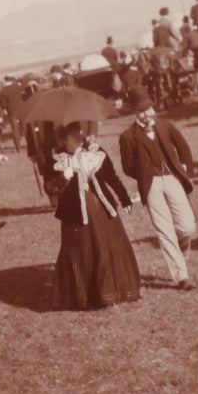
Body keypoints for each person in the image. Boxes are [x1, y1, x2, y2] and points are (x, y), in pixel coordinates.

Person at [52, 123, 141, 310]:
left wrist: (125, 199)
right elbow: (49, 187)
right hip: (75, 215)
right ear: (62, 139)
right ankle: (86, 295)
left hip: (101, 208)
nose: (74, 141)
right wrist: (63, 178)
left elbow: (111, 177)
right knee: (81, 252)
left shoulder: (95, 152)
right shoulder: (58, 158)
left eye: (77, 136)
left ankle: (110, 292)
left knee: (107, 247)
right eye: (69, 138)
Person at [118, 94, 198, 290]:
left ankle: (180, 249)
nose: (147, 113)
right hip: (151, 185)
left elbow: (183, 147)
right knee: (164, 230)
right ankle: (182, 277)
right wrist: (146, 175)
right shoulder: (128, 136)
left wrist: (186, 168)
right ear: (135, 112)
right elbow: (127, 166)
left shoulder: (165, 125)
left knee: (187, 227)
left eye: (149, 109)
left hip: (172, 178)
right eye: (142, 110)